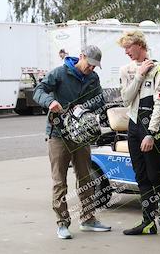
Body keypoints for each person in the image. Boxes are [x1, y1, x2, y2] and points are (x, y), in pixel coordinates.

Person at [33, 45, 111, 239]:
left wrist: (82, 108)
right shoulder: (60, 73)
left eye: (95, 66)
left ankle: (88, 219)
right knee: (60, 181)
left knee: (86, 178)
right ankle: (62, 223)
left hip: (80, 135)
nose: (91, 69)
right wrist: (50, 102)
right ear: (81, 57)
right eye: (90, 64)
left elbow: (100, 99)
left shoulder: (93, 78)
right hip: (58, 135)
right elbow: (39, 90)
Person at [118, 30, 160, 235]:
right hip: (133, 125)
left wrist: (151, 132)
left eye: (128, 48)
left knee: (153, 174)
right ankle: (148, 222)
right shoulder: (126, 70)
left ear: (139, 45)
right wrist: (139, 76)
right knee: (140, 175)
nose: (126, 52)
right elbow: (126, 99)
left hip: (152, 128)